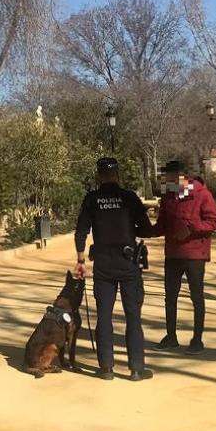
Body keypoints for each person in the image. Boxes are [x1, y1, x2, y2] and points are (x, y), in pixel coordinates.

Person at [73, 157, 155, 381]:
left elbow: (81, 231)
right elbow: (147, 230)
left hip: (103, 266)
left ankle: (106, 368)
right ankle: (136, 369)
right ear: (117, 174)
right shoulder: (128, 198)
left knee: (104, 316)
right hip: (128, 264)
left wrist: (81, 260)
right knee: (133, 317)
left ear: (99, 175)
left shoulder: (92, 199)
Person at [148, 160, 216, 355]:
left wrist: (192, 229)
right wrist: (142, 230)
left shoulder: (201, 194)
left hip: (195, 255)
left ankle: (197, 339)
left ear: (182, 177)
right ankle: (171, 337)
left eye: (170, 179)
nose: (167, 183)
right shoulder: (168, 198)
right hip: (172, 255)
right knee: (170, 297)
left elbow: (214, 220)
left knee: (197, 296)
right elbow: (161, 226)